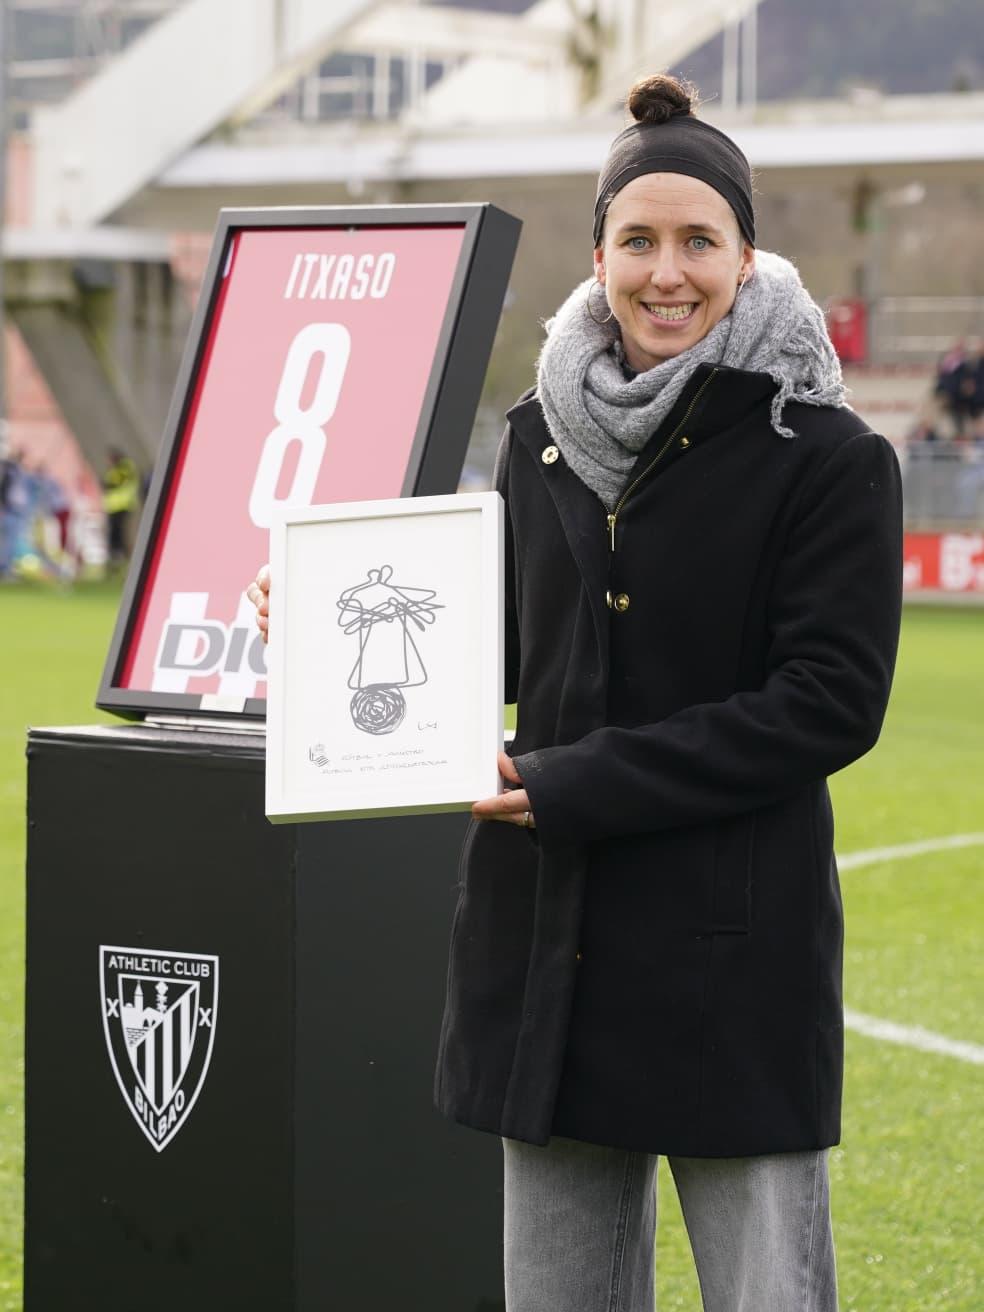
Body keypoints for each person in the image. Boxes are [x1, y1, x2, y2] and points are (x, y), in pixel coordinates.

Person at [247, 74, 902, 1312]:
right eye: (638, 241)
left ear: (747, 255)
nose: (668, 272)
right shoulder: (537, 432)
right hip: (548, 948)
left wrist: (569, 782)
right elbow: (501, 647)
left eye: (699, 241)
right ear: (599, 256)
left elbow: (827, 705)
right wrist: (323, 623)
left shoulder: (827, 454)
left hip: (732, 959)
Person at [102, 446, 140, 569]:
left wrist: (107, 484)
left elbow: (116, 482)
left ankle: (121, 556)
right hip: (115, 506)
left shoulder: (124, 467)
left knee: (119, 532)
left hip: (122, 505)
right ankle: (117, 556)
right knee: (115, 532)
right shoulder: (117, 469)